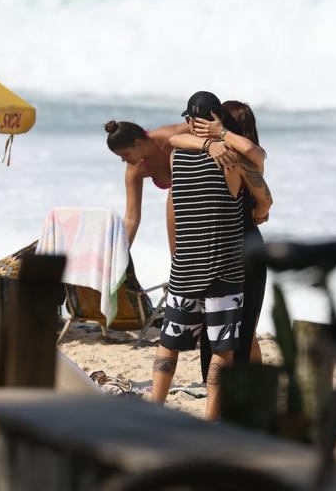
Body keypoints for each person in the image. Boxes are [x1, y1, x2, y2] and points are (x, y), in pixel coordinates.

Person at [151, 92, 273, 421]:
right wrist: (218, 138)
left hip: (185, 269)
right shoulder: (232, 158)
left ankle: (153, 408)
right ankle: (211, 420)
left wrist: (203, 141)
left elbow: (170, 138)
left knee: (169, 346)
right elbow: (258, 158)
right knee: (223, 351)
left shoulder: (177, 155)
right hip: (223, 271)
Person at [170, 101, 269, 380]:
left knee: (237, 328)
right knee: (233, 327)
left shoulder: (235, 157)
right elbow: (173, 136)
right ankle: (240, 388)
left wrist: (220, 134)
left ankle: (245, 388)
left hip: (229, 247)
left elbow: (257, 155)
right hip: (239, 244)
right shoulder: (226, 156)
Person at [103, 120, 189, 251]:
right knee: (178, 258)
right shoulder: (135, 169)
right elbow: (131, 218)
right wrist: (118, 256)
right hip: (180, 195)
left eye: (125, 154)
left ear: (137, 143)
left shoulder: (168, 137)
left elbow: (202, 123)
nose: (123, 160)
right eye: (120, 156)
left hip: (209, 182)